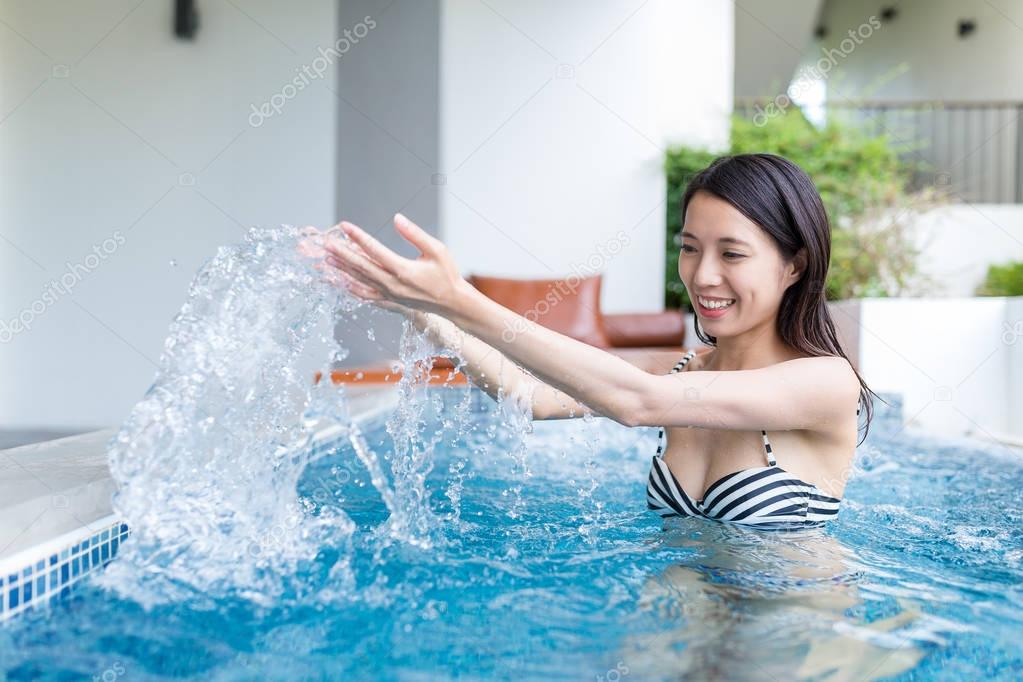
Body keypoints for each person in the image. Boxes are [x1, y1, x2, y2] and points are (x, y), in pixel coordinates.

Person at [312, 153, 882, 531]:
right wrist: (422, 309)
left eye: (732, 254)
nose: (704, 274)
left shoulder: (826, 382)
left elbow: (636, 403)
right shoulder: (684, 368)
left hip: (795, 646)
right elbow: (530, 397)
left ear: (794, 266)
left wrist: (458, 297)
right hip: (679, 633)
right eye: (690, 248)